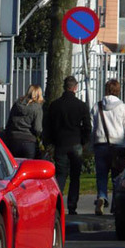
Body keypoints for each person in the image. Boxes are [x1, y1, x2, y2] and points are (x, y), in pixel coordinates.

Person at [90, 79, 125, 216]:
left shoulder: (97, 106)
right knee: (117, 176)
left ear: (106, 90)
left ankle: (101, 197)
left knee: (101, 175)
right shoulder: (123, 108)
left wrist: (90, 145)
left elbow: (92, 128)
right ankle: (116, 204)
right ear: (118, 91)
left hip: (100, 145)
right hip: (118, 146)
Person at [46, 76, 92, 215]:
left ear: (64, 86)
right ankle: (72, 205)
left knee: (61, 175)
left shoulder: (55, 105)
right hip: (76, 142)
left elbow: (48, 126)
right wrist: (84, 141)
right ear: (75, 87)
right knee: (75, 176)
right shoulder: (81, 105)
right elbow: (87, 127)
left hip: (61, 143)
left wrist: (51, 142)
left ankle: (57, 204)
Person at [4, 84, 44, 158]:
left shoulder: (17, 104)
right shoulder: (37, 108)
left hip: (13, 140)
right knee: (28, 167)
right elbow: (37, 128)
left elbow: (9, 123)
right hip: (29, 141)